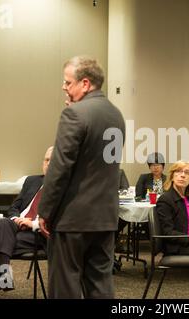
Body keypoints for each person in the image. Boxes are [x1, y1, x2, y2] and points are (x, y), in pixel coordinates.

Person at [38, 56, 125, 299]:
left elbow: (60, 167)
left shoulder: (75, 114)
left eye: (68, 82)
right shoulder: (117, 116)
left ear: (85, 83)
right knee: (100, 285)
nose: (64, 87)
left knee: (65, 287)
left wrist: (45, 211)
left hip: (73, 219)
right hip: (105, 218)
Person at [0, 146, 53, 299]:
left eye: (53, 161)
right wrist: (16, 219)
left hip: (38, 233)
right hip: (15, 227)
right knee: (3, 223)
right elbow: (14, 207)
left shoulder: (64, 187)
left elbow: (59, 218)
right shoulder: (32, 181)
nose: (49, 164)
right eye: (46, 160)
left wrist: (32, 223)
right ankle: (4, 272)